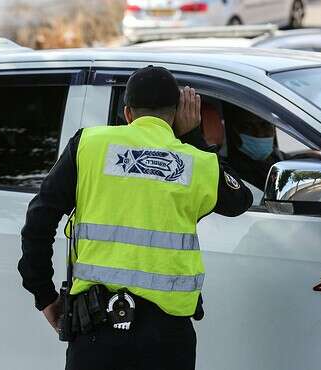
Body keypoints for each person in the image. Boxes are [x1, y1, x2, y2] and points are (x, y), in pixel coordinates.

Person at [18, 66, 253, 370]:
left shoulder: (87, 145)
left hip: (95, 333)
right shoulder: (197, 163)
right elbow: (239, 200)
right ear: (177, 114)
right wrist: (193, 137)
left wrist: (45, 296)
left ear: (128, 113)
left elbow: (38, 223)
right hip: (167, 340)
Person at [226, 108, 283, 191]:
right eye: (248, 127)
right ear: (235, 132)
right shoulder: (234, 173)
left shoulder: (276, 157)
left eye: (265, 124)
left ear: (274, 128)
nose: (259, 133)